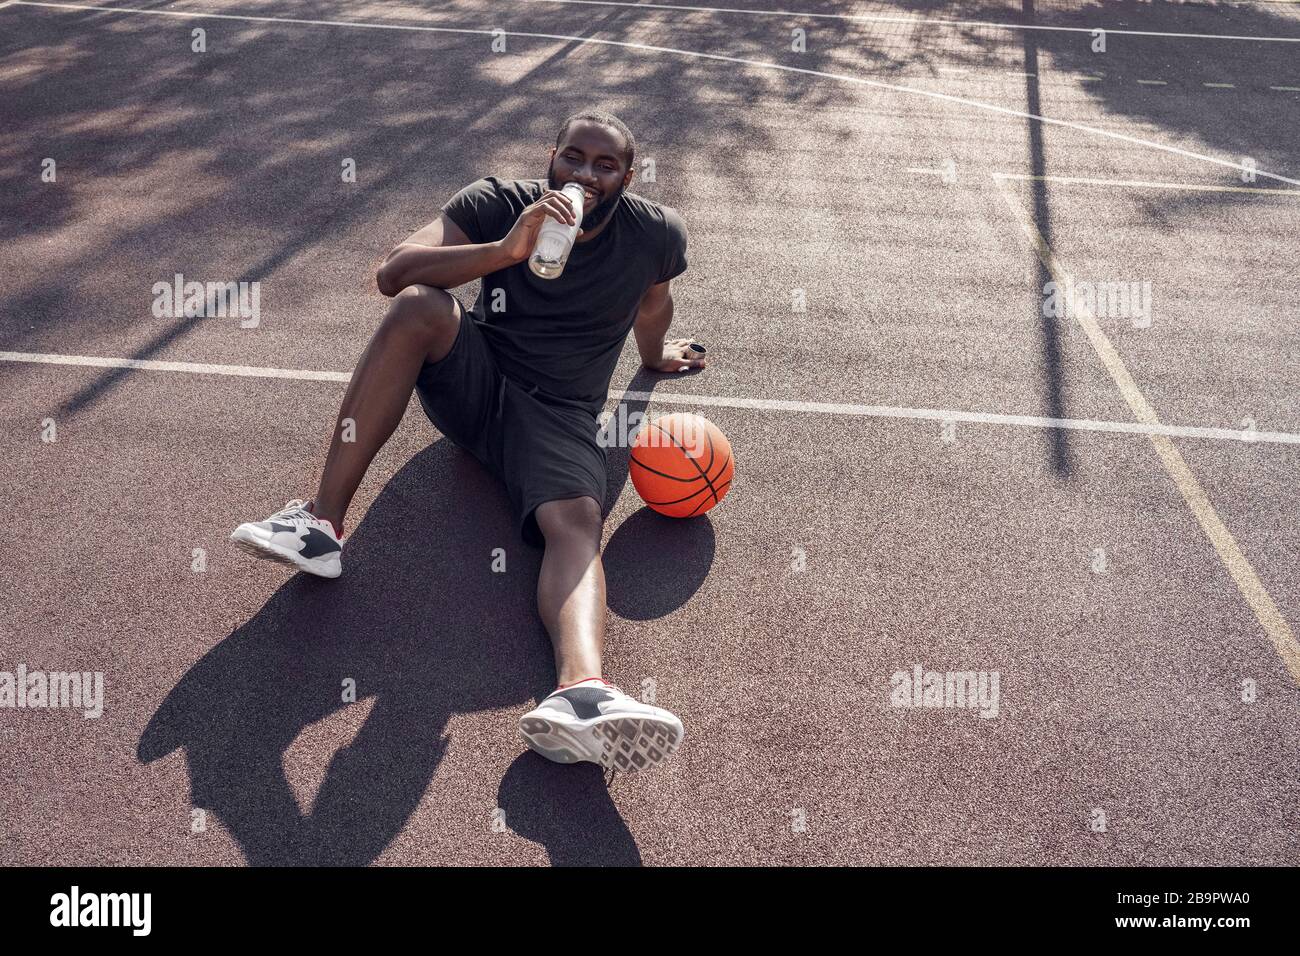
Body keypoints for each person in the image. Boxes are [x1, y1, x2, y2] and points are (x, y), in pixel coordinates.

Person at [231, 111, 705, 773]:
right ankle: (320, 524)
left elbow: (652, 304)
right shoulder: (497, 203)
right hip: (476, 384)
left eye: (605, 165)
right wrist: (506, 251)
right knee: (419, 305)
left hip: (562, 413)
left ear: (628, 176)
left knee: (577, 521)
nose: (585, 174)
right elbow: (393, 273)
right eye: (574, 157)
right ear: (552, 156)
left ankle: (582, 695)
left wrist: (655, 358)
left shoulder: (655, 232)